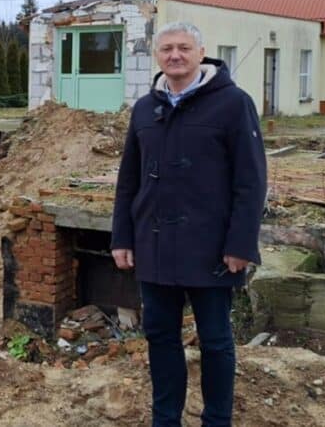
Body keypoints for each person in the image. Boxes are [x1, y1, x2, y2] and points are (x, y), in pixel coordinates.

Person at [110, 21, 267, 427]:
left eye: (183, 48)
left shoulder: (233, 103)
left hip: (211, 248)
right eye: (166, 49)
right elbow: (129, 179)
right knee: (161, 338)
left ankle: (217, 420)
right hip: (154, 245)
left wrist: (241, 245)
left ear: (201, 53)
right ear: (157, 56)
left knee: (215, 341)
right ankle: (166, 419)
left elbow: (251, 181)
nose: (174, 55)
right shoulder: (146, 108)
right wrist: (122, 237)